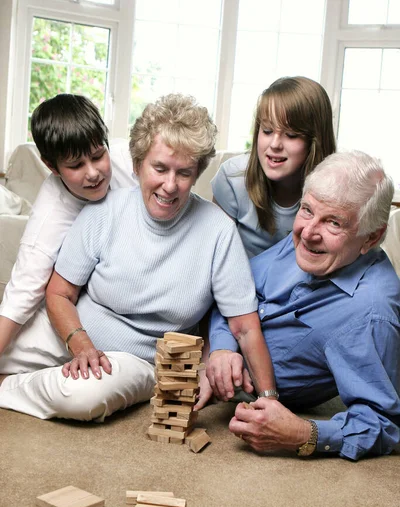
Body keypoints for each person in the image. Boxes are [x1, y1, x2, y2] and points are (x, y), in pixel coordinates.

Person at [0, 93, 275, 422]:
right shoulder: (99, 210)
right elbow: (59, 292)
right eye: (159, 168)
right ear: (136, 164)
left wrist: (269, 398)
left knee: (85, 396)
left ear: (199, 170)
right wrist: (81, 345)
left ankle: (10, 387)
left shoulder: (218, 232)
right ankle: (50, 373)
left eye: (184, 173)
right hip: (68, 330)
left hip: (132, 360)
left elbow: (245, 327)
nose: (170, 185)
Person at [204, 150, 400, 461]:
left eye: (333, 223)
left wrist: (303, 434)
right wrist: (223, 348)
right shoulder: (307, 239)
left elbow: (383, 424)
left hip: (253, 404)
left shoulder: (371, 313)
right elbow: (234, 292)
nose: (307, 233)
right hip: (210, 360)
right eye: (306, 210)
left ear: (371, 237)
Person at [0, 93, 135, 358]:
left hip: (132, 285)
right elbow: (21, 295)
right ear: (51, 166)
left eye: (98, 156)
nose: (93, 173)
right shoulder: (50, 214)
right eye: (76, 165)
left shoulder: (131, 160)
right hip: (78, 303)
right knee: (13, 352)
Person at [212, 76, 336, 257]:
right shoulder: (233, 178)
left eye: (291, 135)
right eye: (267, 131)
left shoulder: (339, 190)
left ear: (315, 141)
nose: (275, 144)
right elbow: (213, 257)